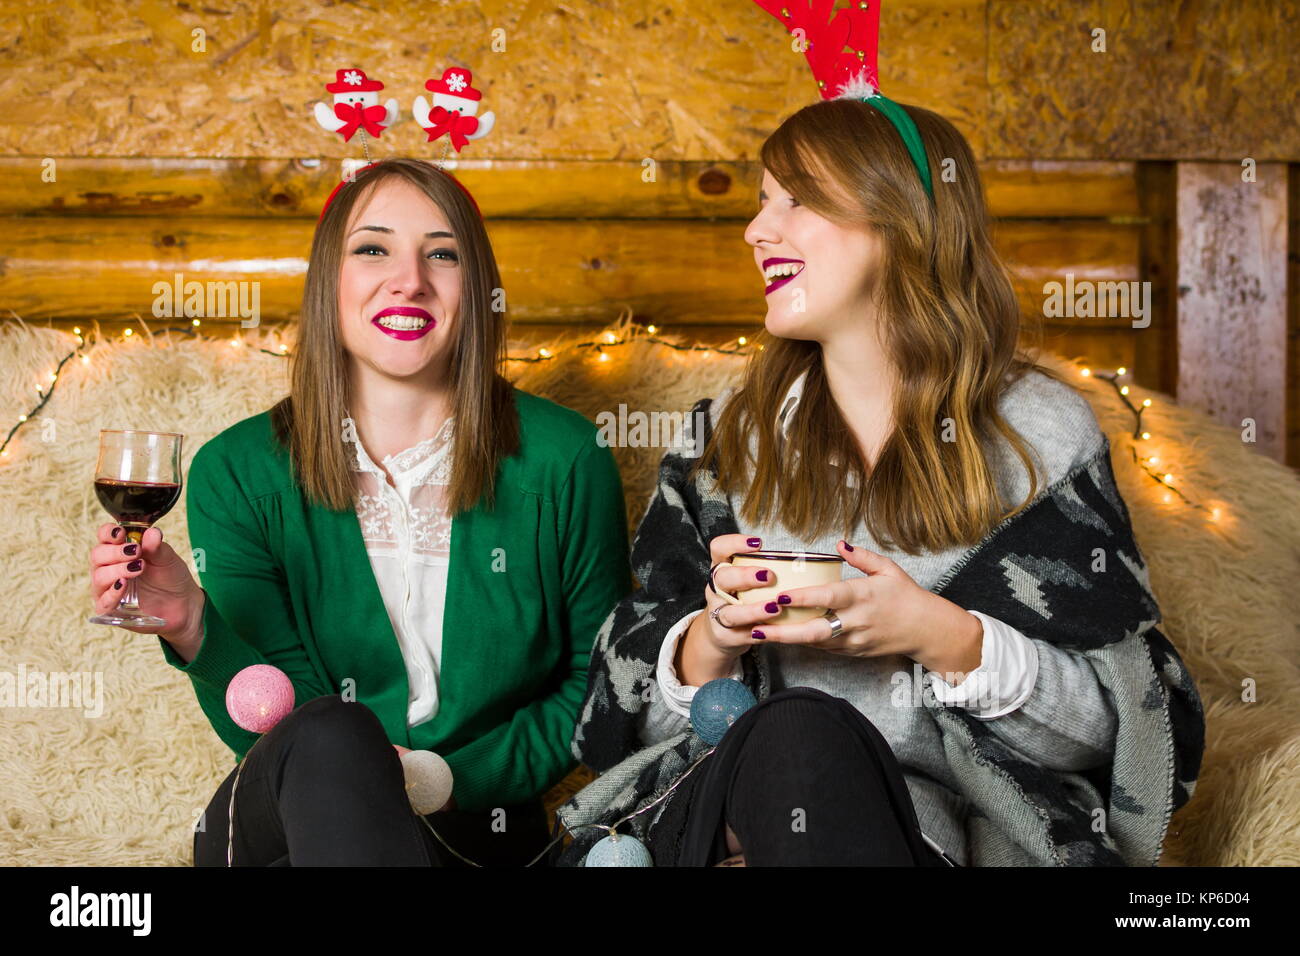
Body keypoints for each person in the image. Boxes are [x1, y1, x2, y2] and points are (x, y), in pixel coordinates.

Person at [559, 97, 1204, 867]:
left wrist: (939, 636)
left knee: (808, 740)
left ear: (901, 216)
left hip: (933, 836)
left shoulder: (1039, 436)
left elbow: (1119, 731)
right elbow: (619, 717)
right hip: (726, 809)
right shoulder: (727, 438)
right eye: (762, 204)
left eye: (795, 200)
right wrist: (711, 645)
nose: (756, 231)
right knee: (795, 731)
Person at [86, 158, 632, 866]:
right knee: (332, 736)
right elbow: (287, 724)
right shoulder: (238, 470)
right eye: (373, 248)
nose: (409, 278)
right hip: (288, 816)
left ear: (478, 289)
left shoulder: (565, 458)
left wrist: (445, 779)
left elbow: (598, 683)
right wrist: (196, 628)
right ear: (327, 284)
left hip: (474, 835)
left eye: (443, 253)